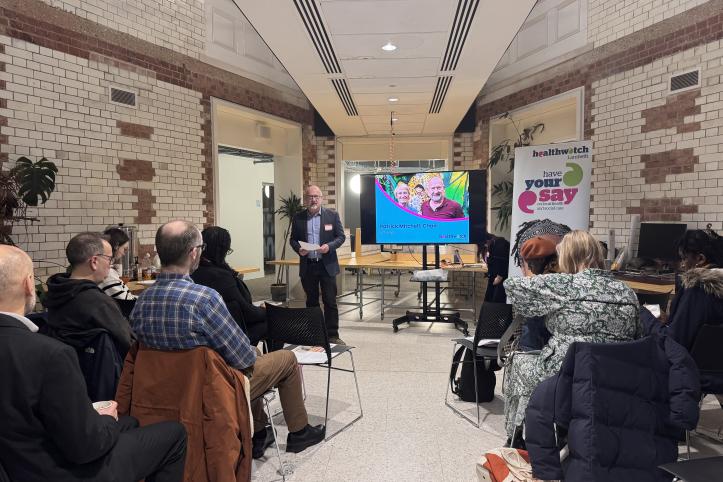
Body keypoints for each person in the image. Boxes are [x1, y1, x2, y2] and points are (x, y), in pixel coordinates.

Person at [131, 220, 325, 458]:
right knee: (284, 358)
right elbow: (242, 358)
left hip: (165, 393)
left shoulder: (141, 302)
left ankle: (258, 432)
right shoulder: (204, 299)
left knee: (252, 357)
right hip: (211, 391)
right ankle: (299, 432)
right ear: (194, 253)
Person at [0, 245, 187, 482]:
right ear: (29, 284)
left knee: (130, 422)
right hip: (57, 470)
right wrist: (107, 418)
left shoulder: (56, 309)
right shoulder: (50, 355)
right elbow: (86, 447)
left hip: (16, 460)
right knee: (175, 434)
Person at [502, 230, 640, 445]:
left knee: (518, 362)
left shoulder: (564, 284)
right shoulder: (626, 291)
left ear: (566, 257)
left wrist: (530, 271)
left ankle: (518, 438)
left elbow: (511, 287)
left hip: (566, 374)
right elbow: (637, 334)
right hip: (614, 377)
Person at [641, 226, 723, 392]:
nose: (681, 265)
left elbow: (673, 343)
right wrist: (670, 321)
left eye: (684, 258)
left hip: (695, 370)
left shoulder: (698, 291)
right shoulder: (715, 290)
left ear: (700, 259)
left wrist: (646, 316)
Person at [44, 232, 133, 356]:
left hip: (65, 368)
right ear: (94, 261)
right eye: (109, 259)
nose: (110, 264)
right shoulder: (98, 303)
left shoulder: (55, 293)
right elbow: (129, 343)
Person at [191, 226, 267, 345]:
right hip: (231, 336)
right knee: (274, 323)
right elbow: (248, 313)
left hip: (204, 334)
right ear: (221, 250)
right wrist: (265, 311)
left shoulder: (192, 272)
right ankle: (260, 359)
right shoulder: (221, 277)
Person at [290, 185, 346, 344]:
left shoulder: (332, 216)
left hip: (326, 264)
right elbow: (293, 239)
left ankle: (333, 335)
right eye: (310, 197)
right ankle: (313, 334)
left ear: (321, 198)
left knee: (330, 300)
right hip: (308, 265)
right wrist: (298, 249)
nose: (313, 199)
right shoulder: (298, 217)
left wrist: (329, 246)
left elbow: (340, 237)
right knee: (311, 301)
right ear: (305, 199)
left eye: (316, 196)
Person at [517, 236, 557, 352]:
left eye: (531, 263)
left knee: (532, 318)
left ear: (541, 260)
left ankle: (527, 353)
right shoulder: (556, 268)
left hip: (547, 338)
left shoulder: (550, 277)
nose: (529, 267)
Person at [99, 227, 137, 301]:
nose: (124, 253)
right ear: (116, 246)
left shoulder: (109, 272)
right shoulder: (107, 274)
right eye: (124, 249)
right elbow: (127, 302)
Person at [480, 234, 510, 303]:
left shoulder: (499, 242)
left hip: (501, 278)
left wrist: (499, 276)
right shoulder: (486, 246)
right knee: (489, 300)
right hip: (493, 276)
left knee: (496, 301)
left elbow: (504, 261)